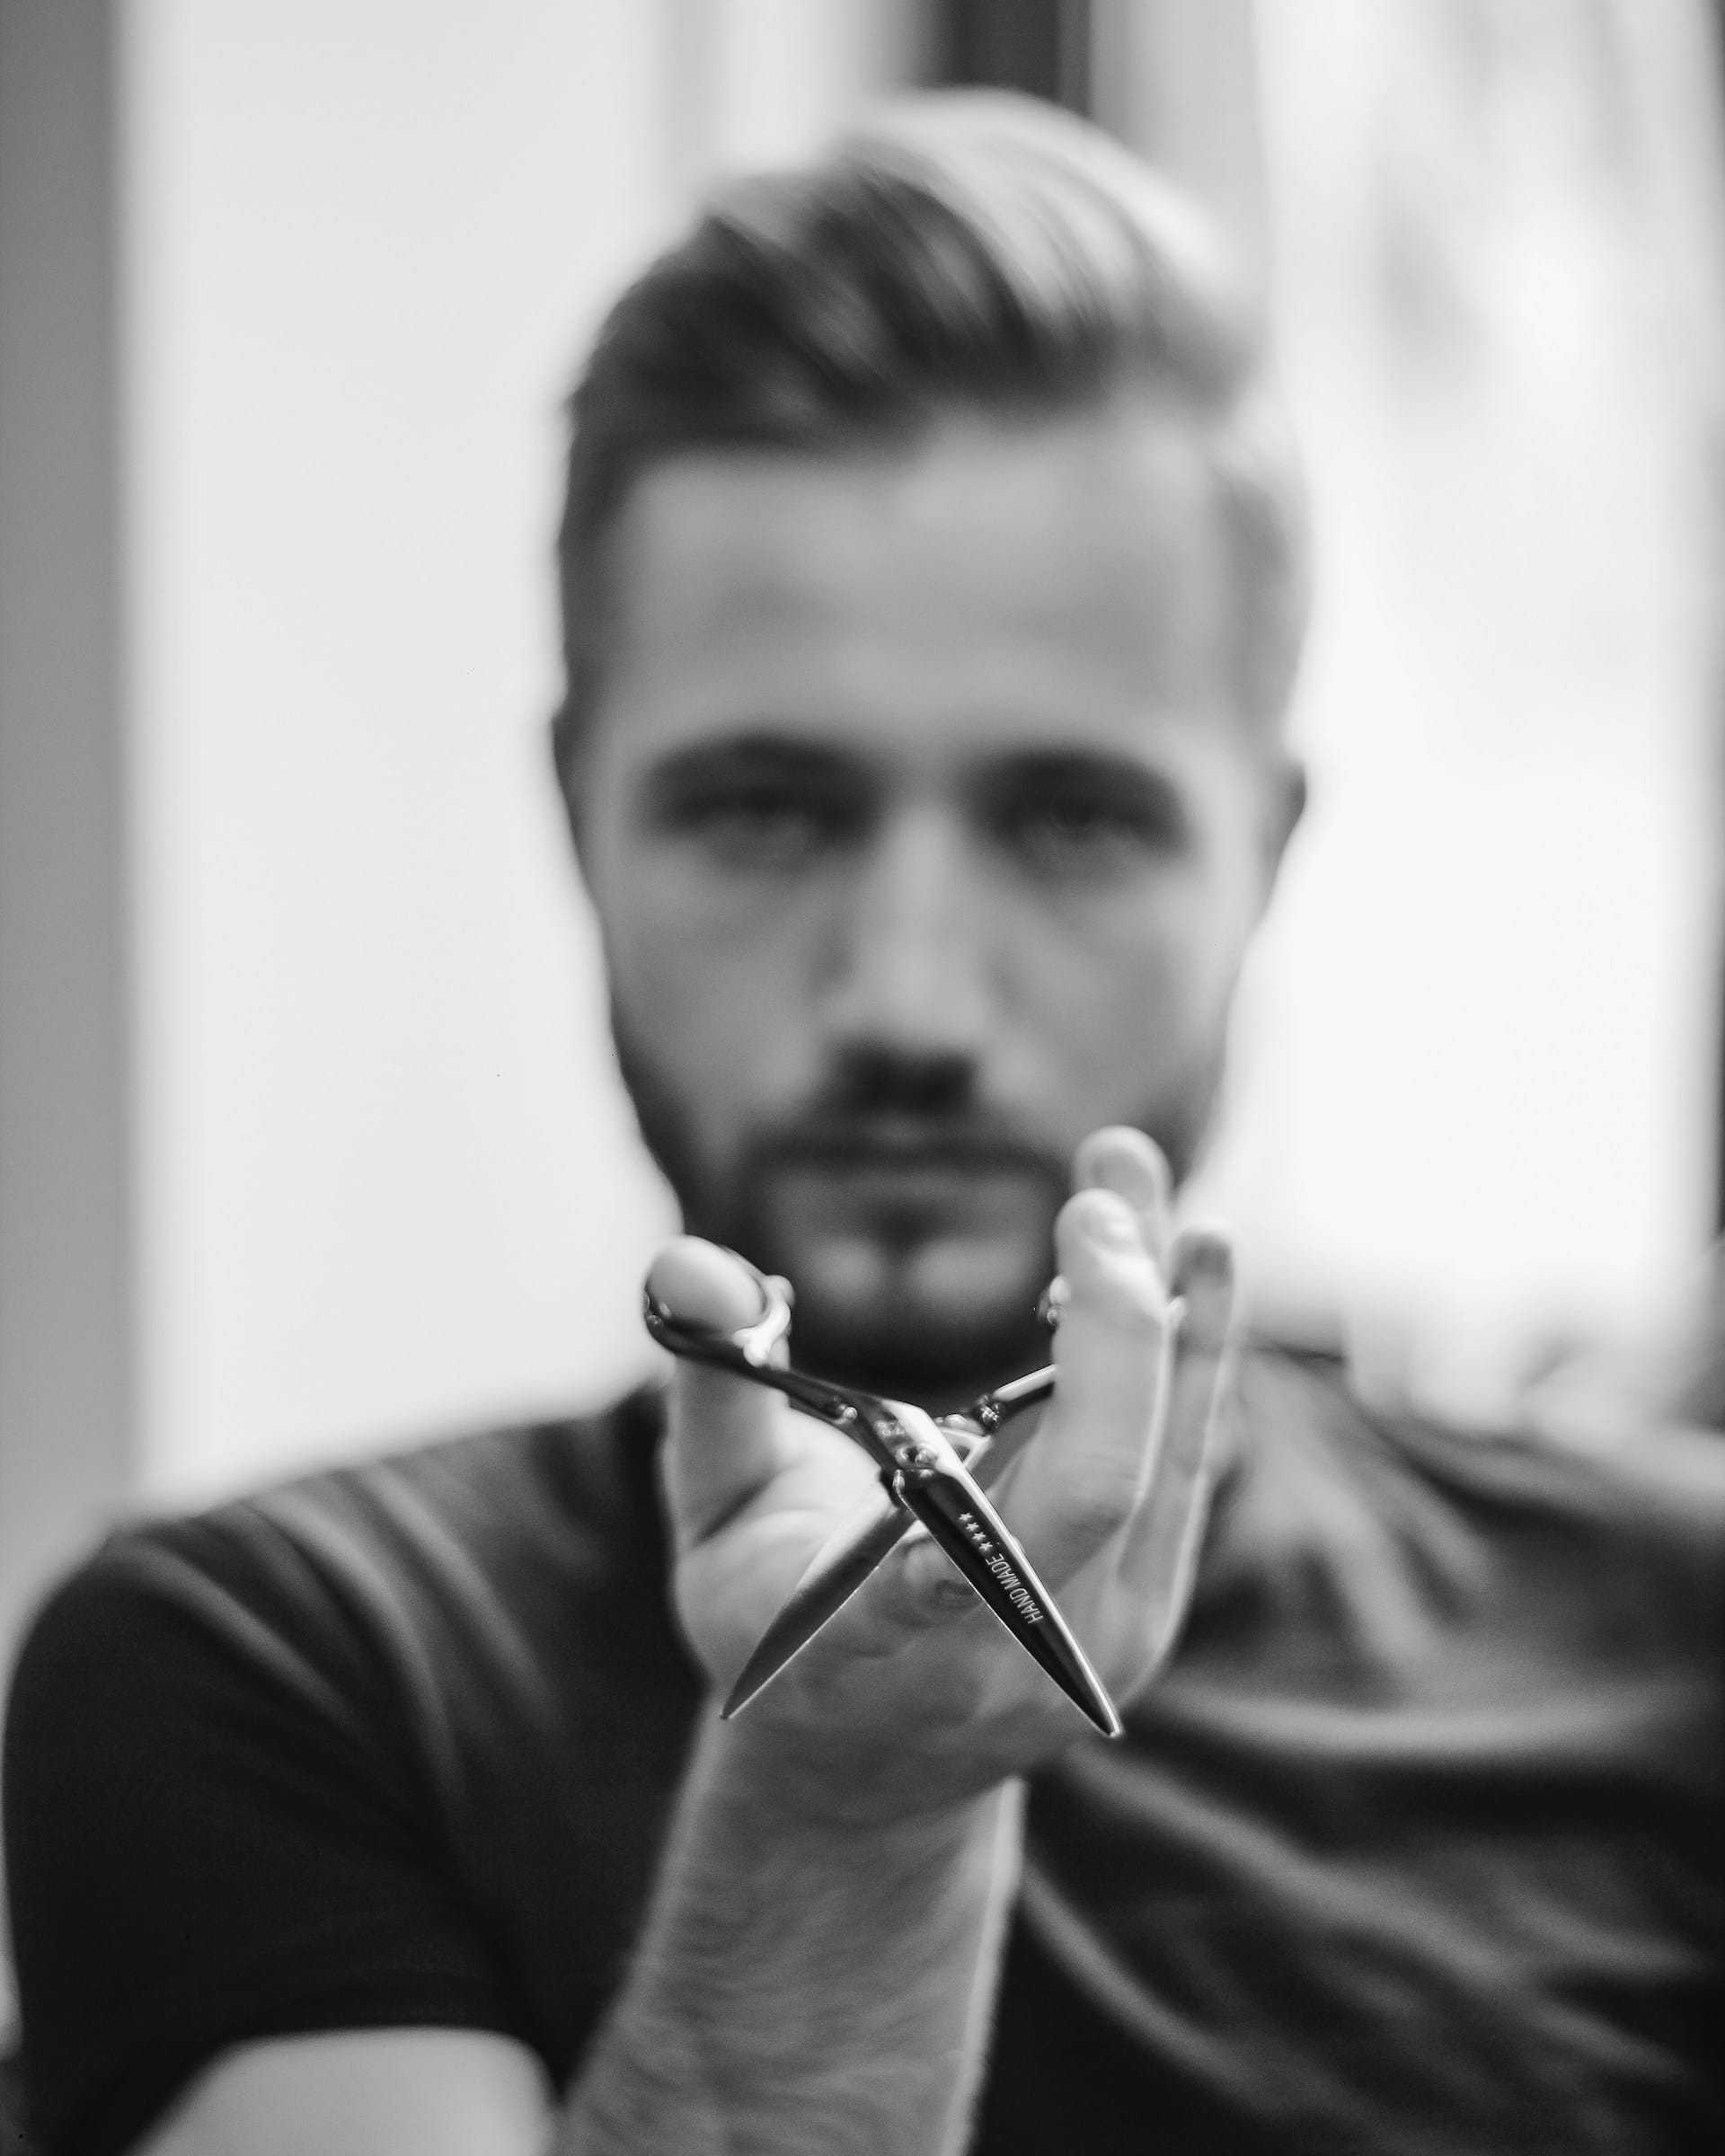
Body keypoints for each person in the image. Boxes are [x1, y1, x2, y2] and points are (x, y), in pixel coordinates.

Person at [4, 88, 1722, 2156]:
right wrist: (847, 1821)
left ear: (1261, 858)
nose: (910, 997)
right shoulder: (274, 1671)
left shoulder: (1681, 1633)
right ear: (583, 823)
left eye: (1070, 820)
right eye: (768, 812)